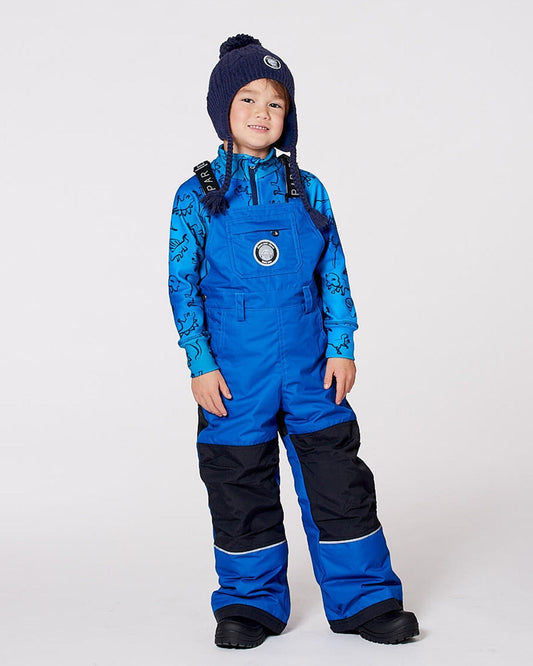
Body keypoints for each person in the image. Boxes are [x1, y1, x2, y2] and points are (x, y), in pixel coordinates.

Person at [168, 34, 419, 649]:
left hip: (311, 368)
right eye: (248, 99)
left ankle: (365, 598)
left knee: (339, 480)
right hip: (234, 373)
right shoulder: (197, 195)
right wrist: (200, 363)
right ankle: (249, 603)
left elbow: (333, 271)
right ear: (222, 109)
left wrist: (343, 345)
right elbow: (182, 285)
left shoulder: (308, 189)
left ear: (290, 115)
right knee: (239, 485)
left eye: (276, 103)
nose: (262, 112)